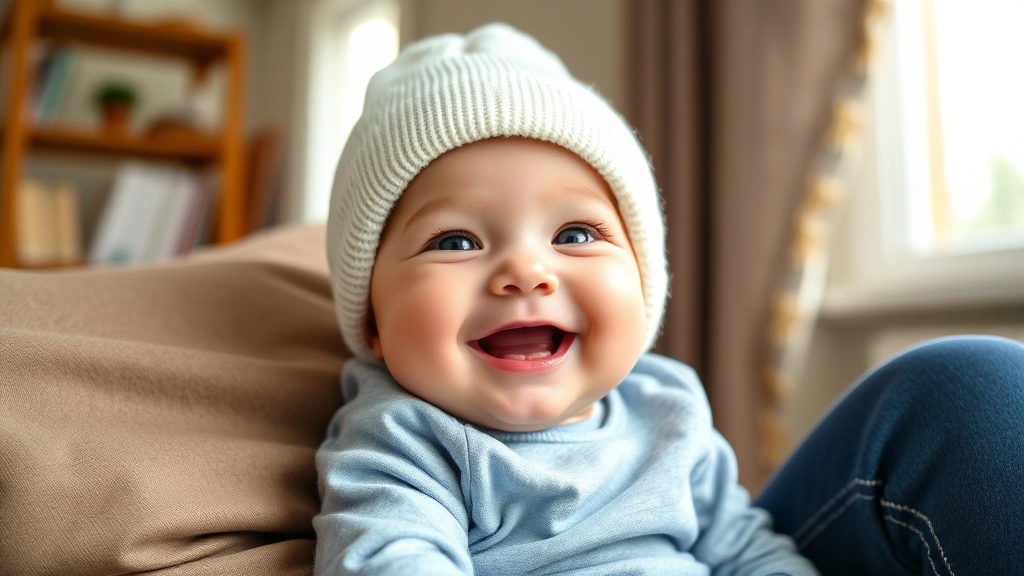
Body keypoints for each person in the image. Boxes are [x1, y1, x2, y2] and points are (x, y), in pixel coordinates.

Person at [315, 22, 1024, 576]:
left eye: (575, 231)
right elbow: (388, 556)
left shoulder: (667, 405)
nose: (525, 271)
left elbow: (742, 545)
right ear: (374, 323)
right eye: (457, 243)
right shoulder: (405, 440)